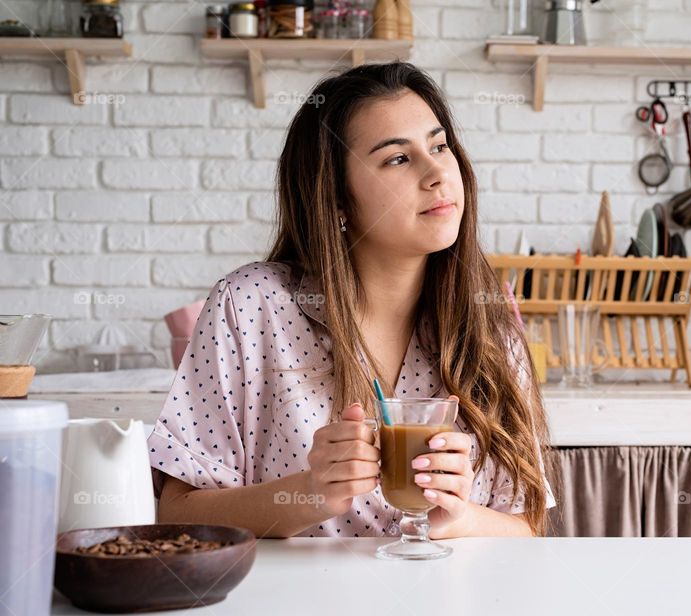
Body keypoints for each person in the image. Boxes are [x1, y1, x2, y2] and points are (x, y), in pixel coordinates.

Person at [148, 62, 556, 539]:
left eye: (439, 146)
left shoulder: (490, 330)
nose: (438, 173)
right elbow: (176, 514)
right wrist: (308, 494)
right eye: (397, 159)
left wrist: (460, 518)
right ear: (337, 199)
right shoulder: (251, 306)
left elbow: (526, 530)